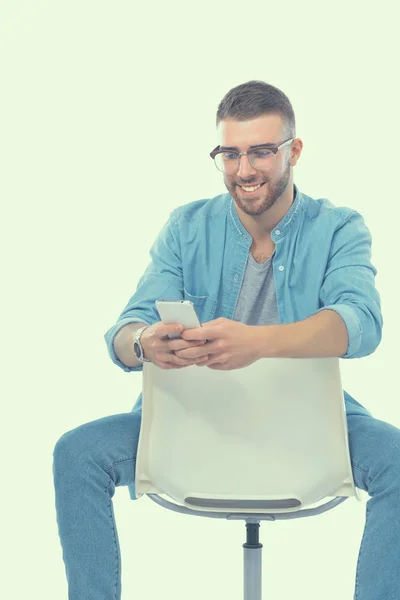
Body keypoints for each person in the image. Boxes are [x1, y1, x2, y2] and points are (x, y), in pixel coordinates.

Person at [53, 80, 400, 600]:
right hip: (190, 419)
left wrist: (259, 342)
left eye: (261, 151)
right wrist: (147, 341)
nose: (244, 170)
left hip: (309, 420)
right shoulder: (187, 225)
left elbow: (361, 323)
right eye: (230, 153)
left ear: (294, 151)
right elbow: (123, 331)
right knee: (76, 452)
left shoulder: (338, 227)